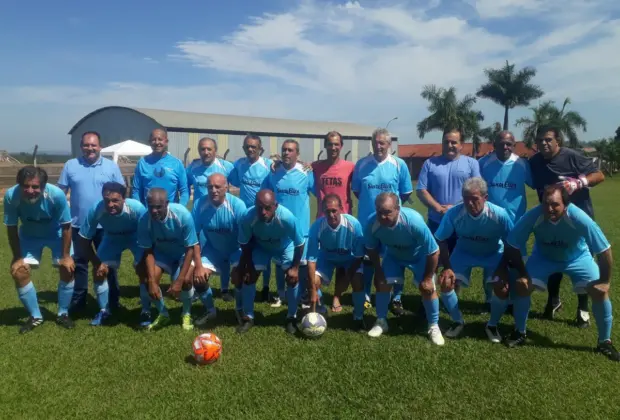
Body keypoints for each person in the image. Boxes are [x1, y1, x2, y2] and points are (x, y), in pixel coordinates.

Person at [503, 185, 619, 361]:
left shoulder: (578, 217)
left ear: (565, 204)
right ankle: (519, 331)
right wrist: (522, 272)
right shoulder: (534, 215)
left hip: (577, 258)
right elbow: (511, 243)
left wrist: (605, 281)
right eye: (546, 204)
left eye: (555, 205)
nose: (549, 209)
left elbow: (605, 250)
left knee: (600, 291)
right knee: (522, 286)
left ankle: (605, 342)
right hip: (544, 258)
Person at [529, 125, 605, 327]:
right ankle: (553, 300)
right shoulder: (534, 162)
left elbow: (599, 175)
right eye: (540, 140)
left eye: (548, 139)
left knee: (581, 264)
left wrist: (579, 182)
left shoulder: (571, 156)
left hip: (578, 220)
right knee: (553, 256)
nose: (543, 143)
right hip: (550, 219)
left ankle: (583, 309)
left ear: (558, 141)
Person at [434, 177, 514, 342]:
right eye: (466, 198)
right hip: (464, 252)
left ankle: (492, 325)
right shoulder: (454, 213)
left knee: (502, 288)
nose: (470, 203)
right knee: (446, 282)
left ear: (485, 198)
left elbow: (511, 243)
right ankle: (457, 321)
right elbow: (440, 239)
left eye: (475, 199)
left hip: (493, 252)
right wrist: (447, 266)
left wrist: (502, 268)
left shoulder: (500, 214)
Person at [417, 127, 485, 308]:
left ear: (461, 145)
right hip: (435, 222)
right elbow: (421, 190)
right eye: (446, 141)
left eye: (454, 142)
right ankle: (429, 300)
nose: (450, 145)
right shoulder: (430, 163)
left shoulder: (471, 164)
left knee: (454, 263)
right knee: (432, 263)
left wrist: (455, 208)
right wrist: (439, 208)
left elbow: (477, 189)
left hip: (461, 223)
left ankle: (451, 301)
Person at [364, 192, 444, 345]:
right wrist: (378, 272)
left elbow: (434, 251)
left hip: (419, 256)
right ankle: (381, 321)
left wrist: (428, 278)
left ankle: (434, 325)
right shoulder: (371, 222)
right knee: (382, 283)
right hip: (393, 256)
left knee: (429, 289)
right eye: (379, 212)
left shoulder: (413, 221)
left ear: (398, 209)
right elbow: (371, 248)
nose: (383, 217)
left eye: (388, 212)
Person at [58, 131, 125, 313]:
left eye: (93, 145)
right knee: (80, 264)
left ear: (100, 147)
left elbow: (121, 193)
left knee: (107, 263)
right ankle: (79, 301)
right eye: (86, 145)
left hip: (106, 225)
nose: (90, 148)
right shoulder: (70, 166)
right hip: (79, 225)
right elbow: (60, 194)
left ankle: (113, 301)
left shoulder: (111, 167)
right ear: (81, 147)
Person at [4, 166, 75, 333]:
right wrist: (17, 257)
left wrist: (65, 256)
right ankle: (36, 316)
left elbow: (66, 226)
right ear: (19, 185)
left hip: (56, 233)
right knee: (19, 271)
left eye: (35, 187)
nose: (30, 191)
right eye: (25, 186)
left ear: (43, 186)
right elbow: (12, 228)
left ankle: (63, 313)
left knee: (68, 267)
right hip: (29, 235)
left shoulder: (56, 195)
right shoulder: (11, 196)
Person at [352, 128, 413, 313]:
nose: (379, 146)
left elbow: (406, 191)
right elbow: (357, 190)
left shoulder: (399, 164)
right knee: (369, 258)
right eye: (376, 142)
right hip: (368, 222)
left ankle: (396, 297)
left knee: (395, 257)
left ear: (389, 145)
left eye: (382, 143)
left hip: (392, 223)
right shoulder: (362, 164)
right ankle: (367, 295)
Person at [235, 190, 305, 334]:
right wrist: (249, 266)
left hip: (285, 247)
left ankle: (291, 317)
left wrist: (295, 268)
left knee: (292, 279)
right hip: (262, 248)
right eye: (259, 207)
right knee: (249, 277)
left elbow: (299, 244)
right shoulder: (248, 217)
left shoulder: (286, 217)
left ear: (275, 206)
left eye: (267, 208)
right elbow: (245, 243)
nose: (263, 212)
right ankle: (248, 316)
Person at [77, 182, 147, 326]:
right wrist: (97, 263)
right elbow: (83, 240)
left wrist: (143, 261)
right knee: (99, 272)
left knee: (144, 271)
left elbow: (149, 235)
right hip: (112, 237)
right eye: (107, 200)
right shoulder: (96, 209)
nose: (110, 205)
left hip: (136, 237)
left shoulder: (137, 208)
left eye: (115, 200)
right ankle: (104, 311)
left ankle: (146, 311)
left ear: (124, 199)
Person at [137, 188, 198, 330]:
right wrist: (152, 281)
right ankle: (163, 314)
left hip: (183, 254)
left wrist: (179, 280)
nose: (154, 211)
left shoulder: (182, 215)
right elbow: (148, 250)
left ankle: (186, 313)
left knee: (187, 281)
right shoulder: (144, 220)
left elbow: (190, 249)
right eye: (151, 206)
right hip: (162, 254)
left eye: (158, 207)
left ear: (167, 203)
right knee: (147, 279)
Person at [264, 139, 314, 308]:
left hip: (300, 227)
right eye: (284, 150)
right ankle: (281, 294)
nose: (286, 153)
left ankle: (301, 295)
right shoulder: (274, 171)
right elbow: (266, 193)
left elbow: (317, 192)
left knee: (301, 264)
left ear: (297, 154)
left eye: (290, 150)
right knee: (279, 263)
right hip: (279, 227)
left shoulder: (306, 172)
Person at [191, 174, 247, 323]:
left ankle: (240, 309)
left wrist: (241, 265)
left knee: (239, 277)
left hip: (236, 249)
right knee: (198, 278)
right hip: (213, 251)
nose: (213, 190)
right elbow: (193, 238)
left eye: (218, 187)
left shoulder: (238, 205)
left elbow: (247, 237)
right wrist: (198, 265)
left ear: (226, 188)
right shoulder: (199, 204)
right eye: (210, 187)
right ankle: (210, 311)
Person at [311, 131, 356, 312]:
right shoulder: (316, 166)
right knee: (319, 259)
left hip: (343, 220)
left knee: (343, 259)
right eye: (330, 144)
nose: (333, 147)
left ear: (341, 146)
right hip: (322, 220)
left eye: (336, 144)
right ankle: (317, 296)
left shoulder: (350, 167)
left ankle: (337, 296)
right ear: (325, 146)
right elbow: (298, 165)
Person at [307, 194, 365, 329]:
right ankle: (319, 310)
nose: (331, 214)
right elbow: (311, 260)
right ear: (323, 211)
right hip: (326, 258)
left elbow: (359, 255)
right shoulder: (316, 227)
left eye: (334, 210)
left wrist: (348, 276)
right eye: (327, 211)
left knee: (357, 281)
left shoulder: (354, 224)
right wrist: (312, 290)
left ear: (341, 208)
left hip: (349, 259)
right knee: (313, 281)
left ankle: (358, 317)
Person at [228, 134, 274, 302]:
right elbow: (228, 176)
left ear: (260, 149)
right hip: (245, 216)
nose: (250, 149)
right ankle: (243, 278)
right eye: (247, 146)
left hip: (264, 215)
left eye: (254, 146)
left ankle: (266, 287)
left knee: (266, 250)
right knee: (245, 248)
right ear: (244, 148)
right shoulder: (239, 165)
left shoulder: (269, 165)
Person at [132, 128, 189, 206]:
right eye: (153, 140)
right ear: (149, 142)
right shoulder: (142, 163)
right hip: (148, 213)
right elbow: (136, 191)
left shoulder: (176, 163)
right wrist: (140, 210)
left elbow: (184, 191)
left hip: (171, 214)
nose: (157, 142)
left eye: (160, 139)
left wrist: (179, 210)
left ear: (166, 142)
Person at [186, 137, 233, 202]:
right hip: (200, 210)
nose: (206, 152)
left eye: (209, 149)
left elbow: (239, 184)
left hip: (221, 210)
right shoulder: (192, 168)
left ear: (215, 151)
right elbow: (184, 188)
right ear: (199, 151)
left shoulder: (226, 166)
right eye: (203, 149)